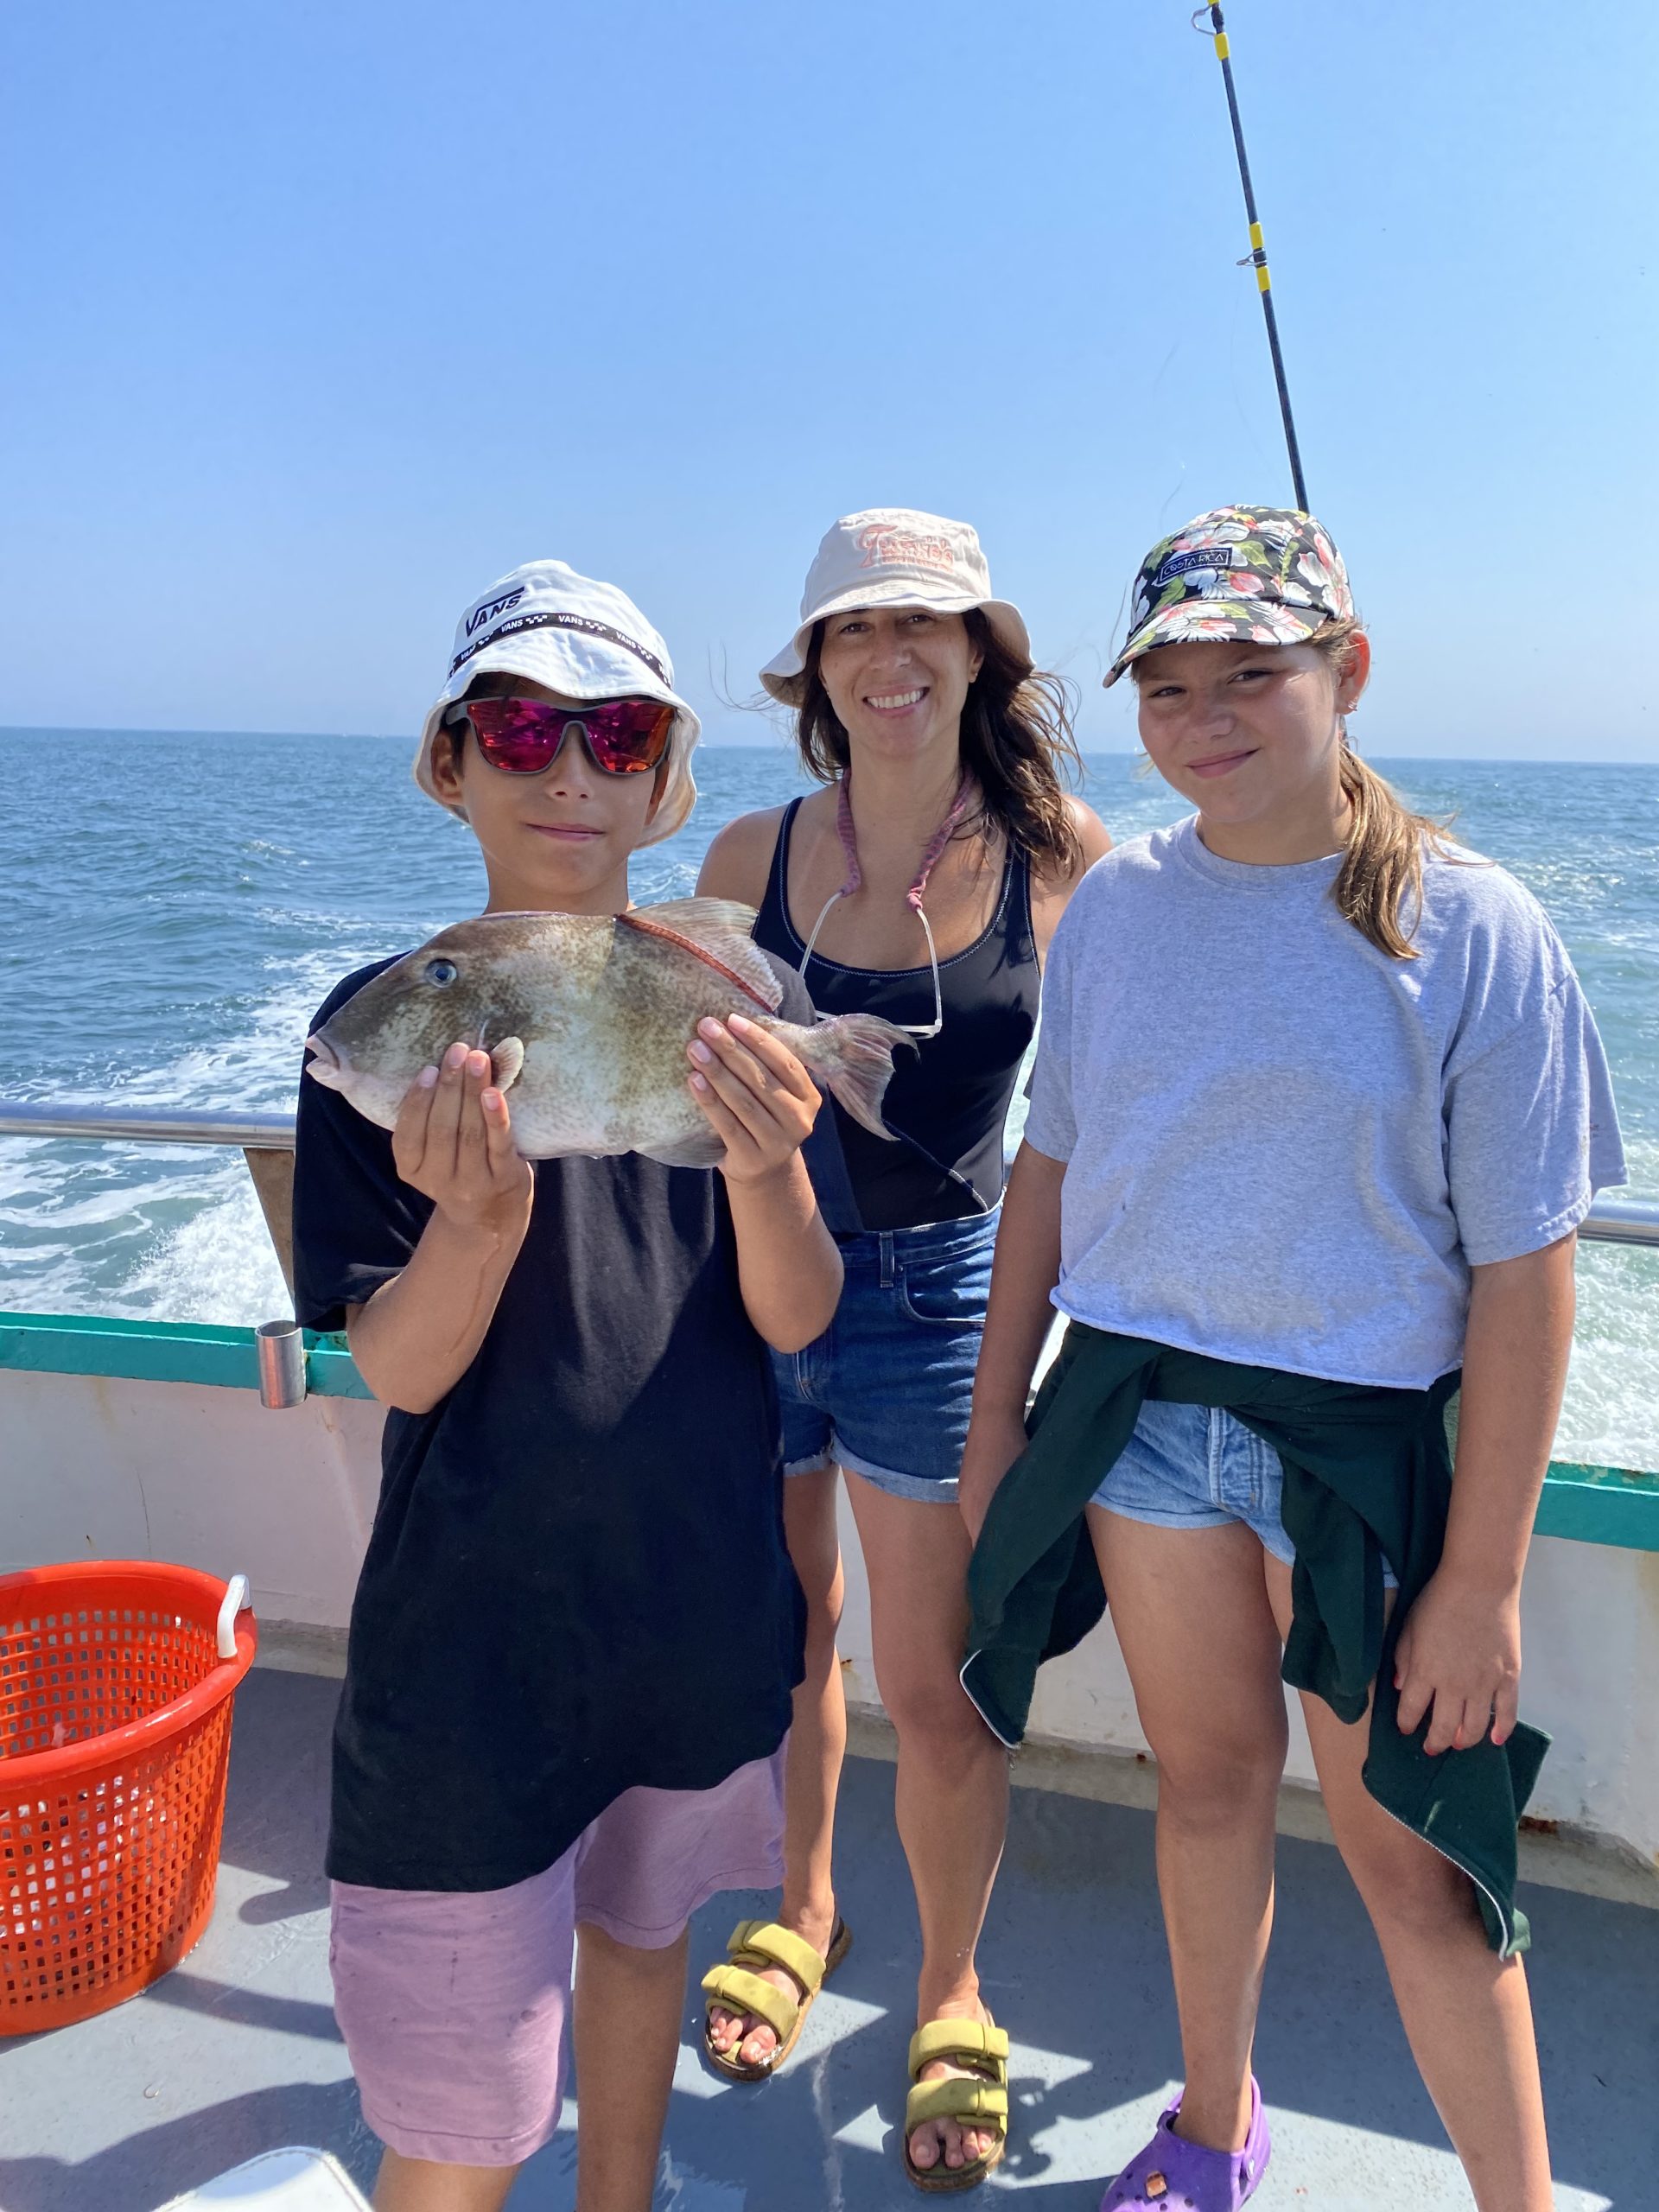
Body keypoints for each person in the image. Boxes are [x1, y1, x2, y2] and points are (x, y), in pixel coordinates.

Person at [957, 505, 1627, 2212]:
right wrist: (992, 1430)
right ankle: (1209, 2117)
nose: (1209, 716)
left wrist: (1479, 1575)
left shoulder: (1479, 931)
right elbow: (1050, 1170)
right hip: (1141, 1423)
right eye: (1170, 686)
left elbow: (1526, 1277)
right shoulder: (1113, 907)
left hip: (1363, 1450)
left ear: (1351, 670)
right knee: (1207, 1785)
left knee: (1417, 1873)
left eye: (1253, 670)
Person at [291, 560, 844, 2212]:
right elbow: (395, 1363)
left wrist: (770, 1175)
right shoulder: (391, 1027)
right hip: (471, 1651)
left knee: (644, 1937)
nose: (569, 771)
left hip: (689, 1612)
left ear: (668, 776)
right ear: (449, 760)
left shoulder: (739, 1003)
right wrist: (475, 1224)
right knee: (459, 2119)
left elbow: (799, 1314)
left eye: (616, 735)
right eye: (522, 726)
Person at [696, 508, 1111, 2187]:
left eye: (923, 626)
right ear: (815, 670)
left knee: (938, 1693)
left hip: (949, 1296)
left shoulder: (1066, 857)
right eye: (857, 631)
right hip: (753, 1275)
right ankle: (805, 1903)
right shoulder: (744, 857)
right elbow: (660, 1062)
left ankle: (952, 1986)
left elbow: (1127, 1092)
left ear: (979, 654)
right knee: (792, 1634)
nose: (890, 658)